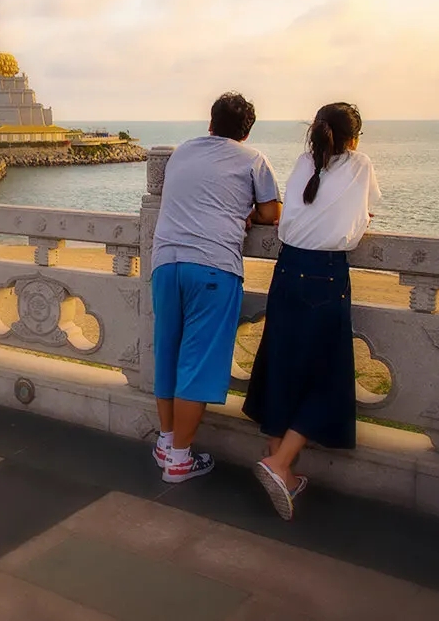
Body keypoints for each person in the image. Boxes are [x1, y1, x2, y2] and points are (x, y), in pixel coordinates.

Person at [244, 102, 381, 520]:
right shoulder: (359, 164)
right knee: (326, 373)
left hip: (288, 267)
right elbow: (364, 216)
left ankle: (282, 472)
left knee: (281, 362)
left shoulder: (305, 162)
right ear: (353, 139)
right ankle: (280, 462)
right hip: (325, 274)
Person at [151, 93, 282, 482]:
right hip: (212, 267)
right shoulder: (253, 159)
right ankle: (179, 459)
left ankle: (166, 442)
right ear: (247, 132)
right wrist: (247, 213)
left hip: (165, 263)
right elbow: (272, 212)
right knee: (197, 364)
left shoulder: (181, 153)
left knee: (168, 355)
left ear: (210, 123)